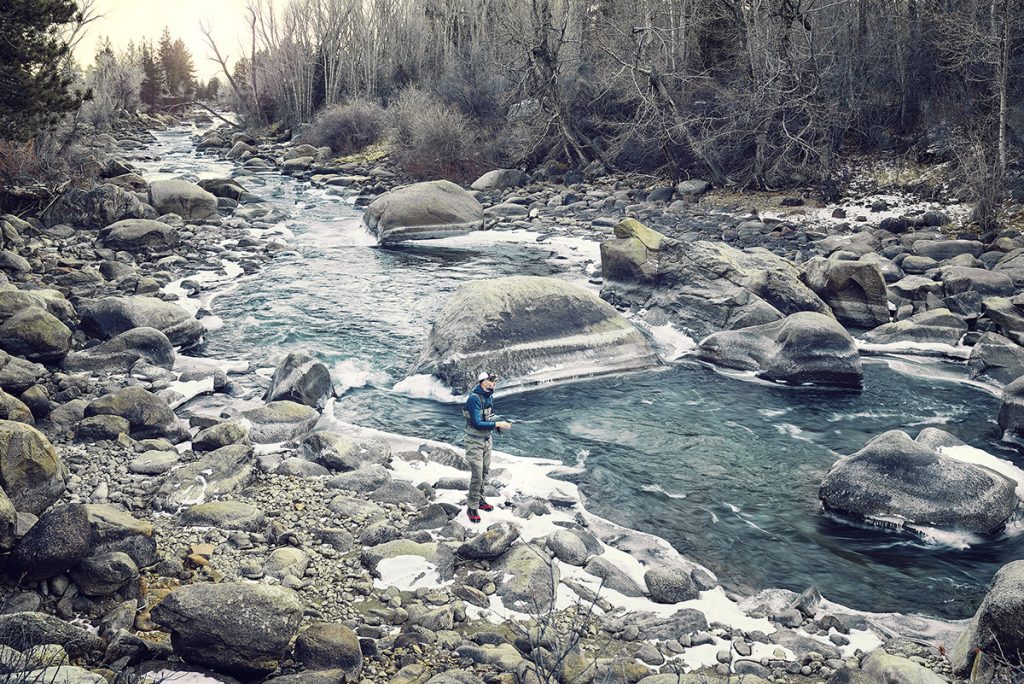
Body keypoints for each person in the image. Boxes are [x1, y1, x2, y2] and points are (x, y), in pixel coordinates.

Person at [463, 371, 512, 523]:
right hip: (474, 442)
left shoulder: (489, 396)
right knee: (477, 475)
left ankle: (480, 500)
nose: (492, 384)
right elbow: (477, 422)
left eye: (494, 382)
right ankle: (471, 507)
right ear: (481, 382)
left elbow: (489, 416)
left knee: (484, 472)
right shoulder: (473, 399)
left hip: (486, 440)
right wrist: (497, 424)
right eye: (489, 381)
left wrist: (496, 426)